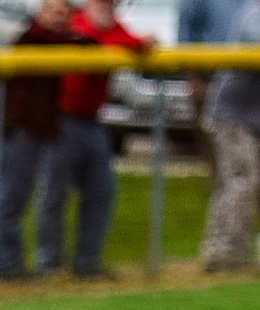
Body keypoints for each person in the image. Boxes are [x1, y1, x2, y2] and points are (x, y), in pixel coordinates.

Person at [180, 0, 260, 274]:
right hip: (229, 114)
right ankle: (225, 256)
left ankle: (227, 254)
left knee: (238, 182)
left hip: (252, 116)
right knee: (242, 182)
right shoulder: (253, 15)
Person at [42, 0, 153, 278]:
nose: (108, 6)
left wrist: (141, 40)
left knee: (101, 191)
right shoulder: (77, 21)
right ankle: (49, 265)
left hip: (92, 121)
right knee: (54, 194)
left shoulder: (113, 26)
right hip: (61, 118)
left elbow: (131, 40)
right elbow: (88, 41)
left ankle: (87, 263)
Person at [0, 0, 93, 281]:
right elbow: (45, 41)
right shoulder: (31, 38)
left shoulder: (63, 41)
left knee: (39, 196)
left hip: (45, 128)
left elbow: (89, 46)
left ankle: (23, 264)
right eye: (54, 12)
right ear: (41, 13)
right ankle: (4, 264)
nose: (59, 18)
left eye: (64, 13)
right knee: (11, 196)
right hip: (20, 128)